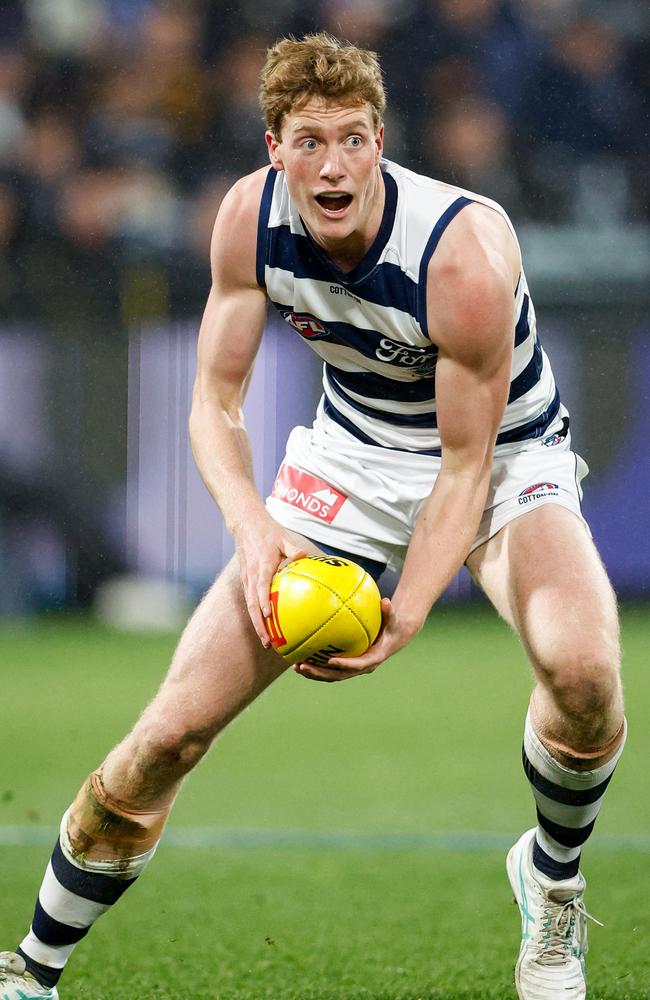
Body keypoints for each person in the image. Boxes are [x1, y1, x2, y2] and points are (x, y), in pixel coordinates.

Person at [1, 32, 625, 1000]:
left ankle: (548, 878)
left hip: (503, 460)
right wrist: (255, 530)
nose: (331, 164)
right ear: (272, 147)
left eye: (351, 139)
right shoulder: (247, 221)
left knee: (583, 676)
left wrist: (406, 609)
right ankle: (30, 974)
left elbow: (462, 466)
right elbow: (214, 404)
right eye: (307, 141)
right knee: (167, 738)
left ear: (381, 141)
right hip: (345, 461)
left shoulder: (458, 254)